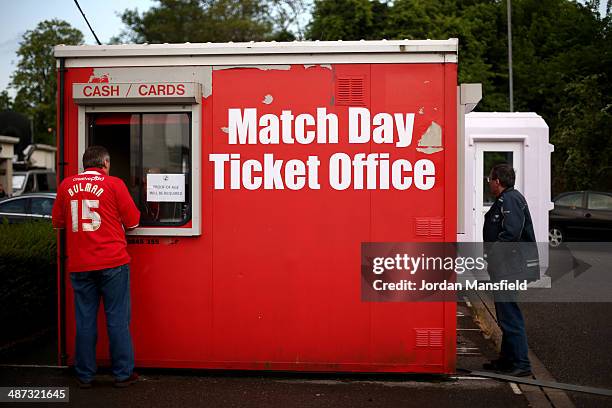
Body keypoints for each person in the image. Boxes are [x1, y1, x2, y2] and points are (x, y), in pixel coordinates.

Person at [51, 146, 141, 388]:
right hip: (113, 262)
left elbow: (58, 223)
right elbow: (133, 221)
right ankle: (123, 375)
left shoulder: (66, 185)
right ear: (106, 163)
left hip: (80, 264)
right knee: (117, 319)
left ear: (85, 164)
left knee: (85, 320)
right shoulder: (114, 184)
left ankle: (84, 375)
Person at [482, 163, 535, 377]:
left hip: (509, 268)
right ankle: (507, 360)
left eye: (490, 179)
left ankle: (521, 363)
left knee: (510, 315)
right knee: (505, 314)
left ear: (497, 181)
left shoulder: (510, 200)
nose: (489, 183)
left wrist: (493, 255)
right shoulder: (508, 199)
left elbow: (511, 233)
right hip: (506, 267)